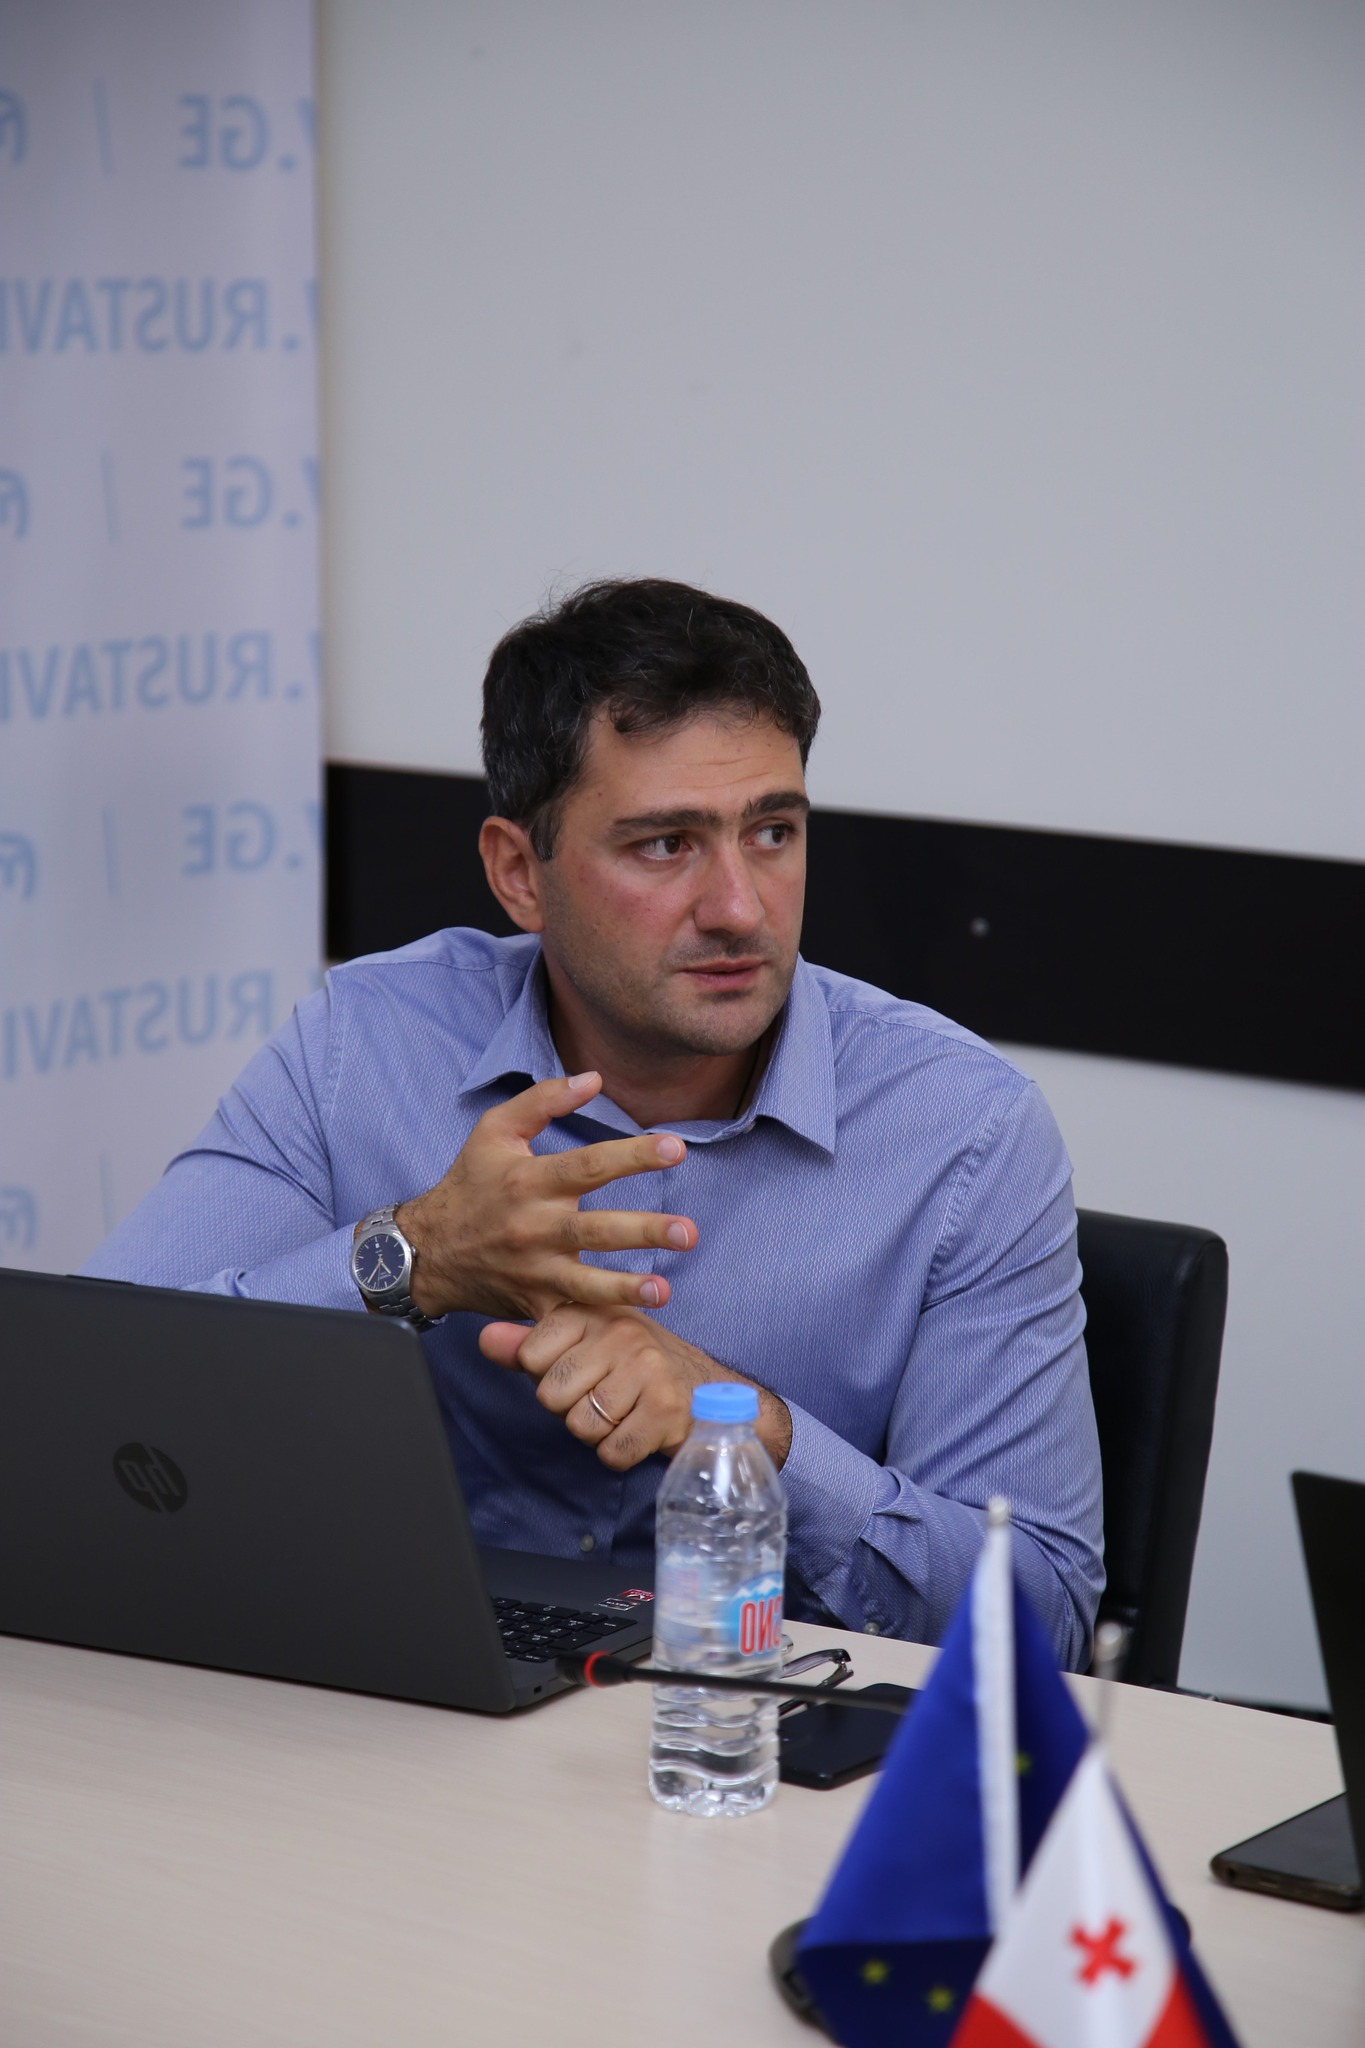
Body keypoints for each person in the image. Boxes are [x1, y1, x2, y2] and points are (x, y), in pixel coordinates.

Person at [85, 579, 1104, 1664]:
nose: (740, 908)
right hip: (395, 1691)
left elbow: (1042, 1620)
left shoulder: (966, 1131)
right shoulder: (364, 1044)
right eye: (665, 844)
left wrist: (750, 1431)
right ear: (518, 873)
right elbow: (85, 1391)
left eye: (771, 831)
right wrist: (413, 1257)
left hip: (742, 1721)